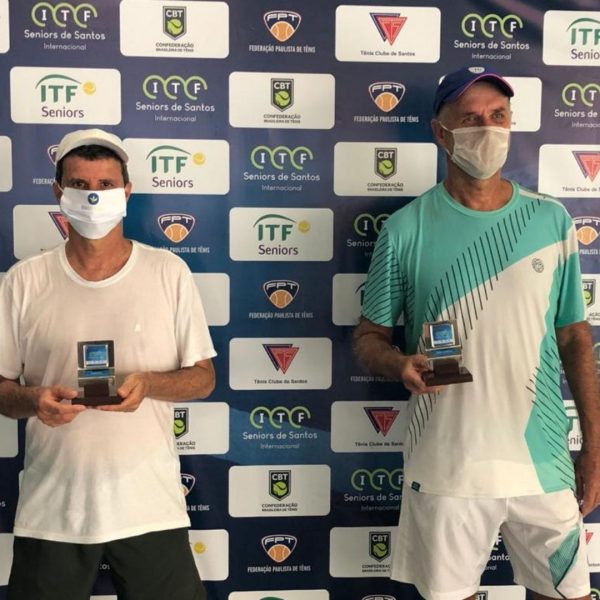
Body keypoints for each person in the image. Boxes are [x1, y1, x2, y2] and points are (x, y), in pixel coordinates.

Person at [354, 66, 600, 600]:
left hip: (543, 462)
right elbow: (368, 337)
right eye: (469, 119)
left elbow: (575, 338)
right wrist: (398, 363)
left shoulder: (551, 220)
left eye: (498, 115)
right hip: (448, 466)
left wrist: (593, 450)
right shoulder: (405, 229)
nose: (487, 128)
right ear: (440, 133)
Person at [0, 128, 216, 600]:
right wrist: (34, 400)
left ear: (127, 192)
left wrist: (150, 384)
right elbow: (2, 390)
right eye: (80, 185)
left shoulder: (168, 272)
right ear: (58, 192)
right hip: (52, 509)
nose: (93, 196)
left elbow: (203, 379)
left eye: (105, 185)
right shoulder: (23, 281)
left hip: (149, 506)